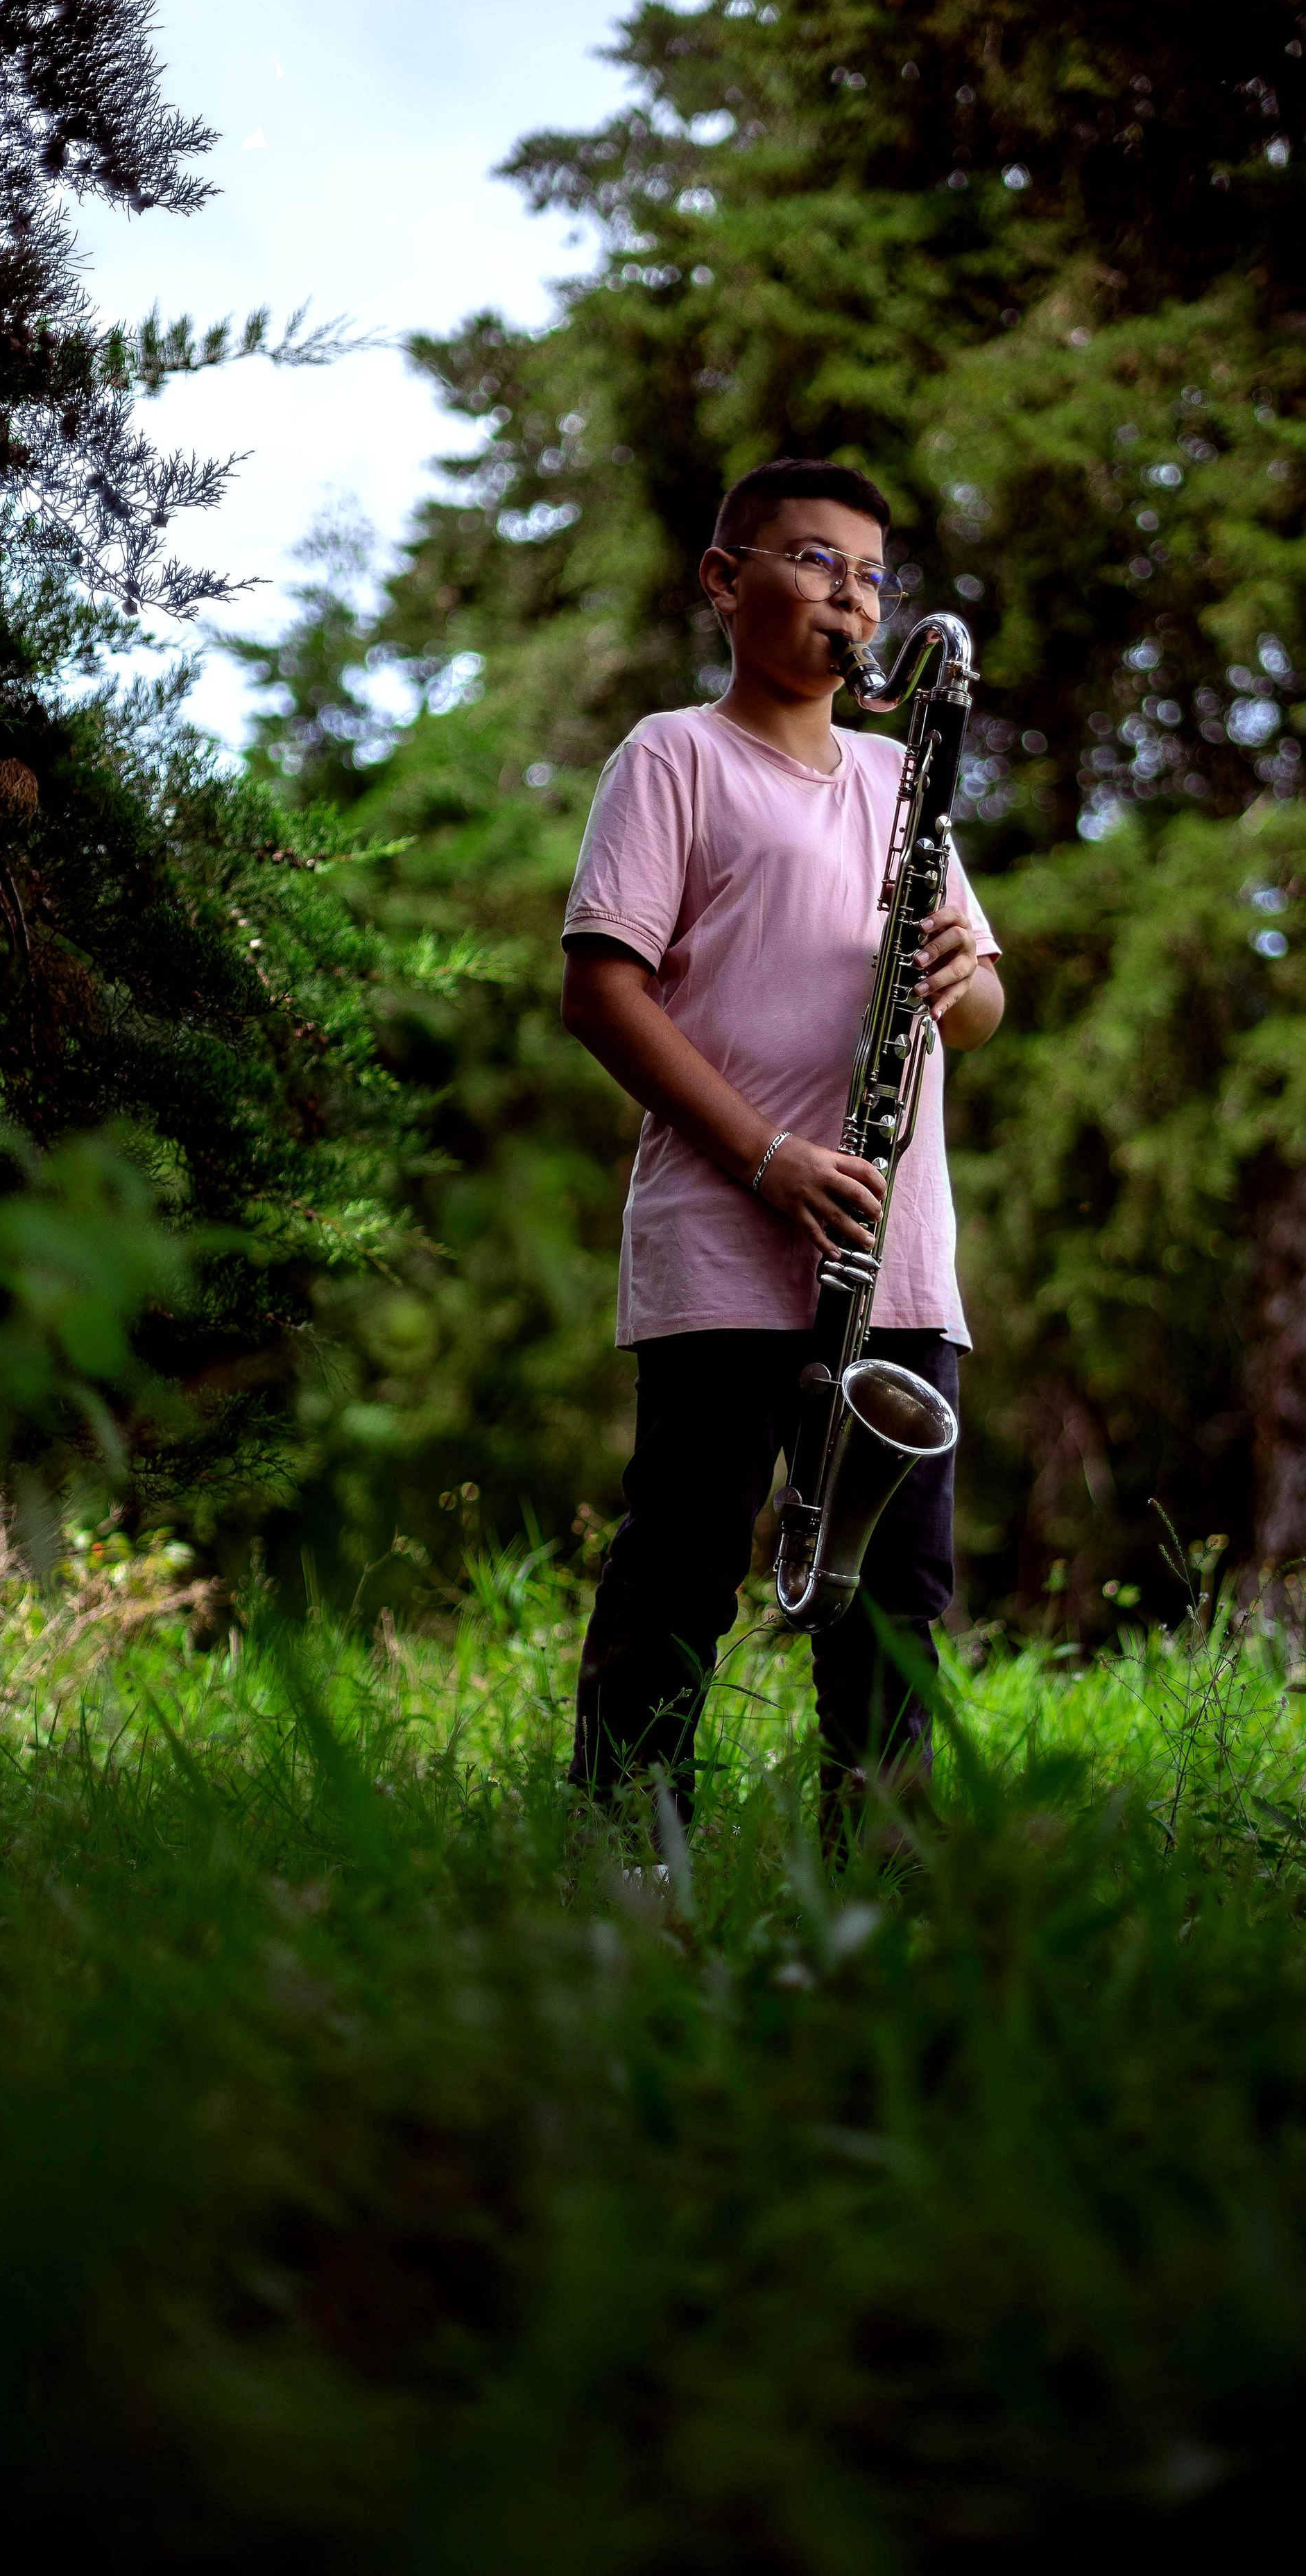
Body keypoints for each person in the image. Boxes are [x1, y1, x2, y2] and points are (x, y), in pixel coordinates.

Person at [559, 456, 1004, 1829]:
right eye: (813, 560)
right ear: (722, 580)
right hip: (725, 1240)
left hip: (891, 1256)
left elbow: (982, 1005)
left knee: (892, 1598)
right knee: (682, 1567)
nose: (849, 598)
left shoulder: (896, 777)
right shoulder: (673, 755)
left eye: (870, 574)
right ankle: (631, 1867)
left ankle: (875, 1894)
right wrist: (766, 1158)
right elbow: (598, 989)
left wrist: (958, 976)